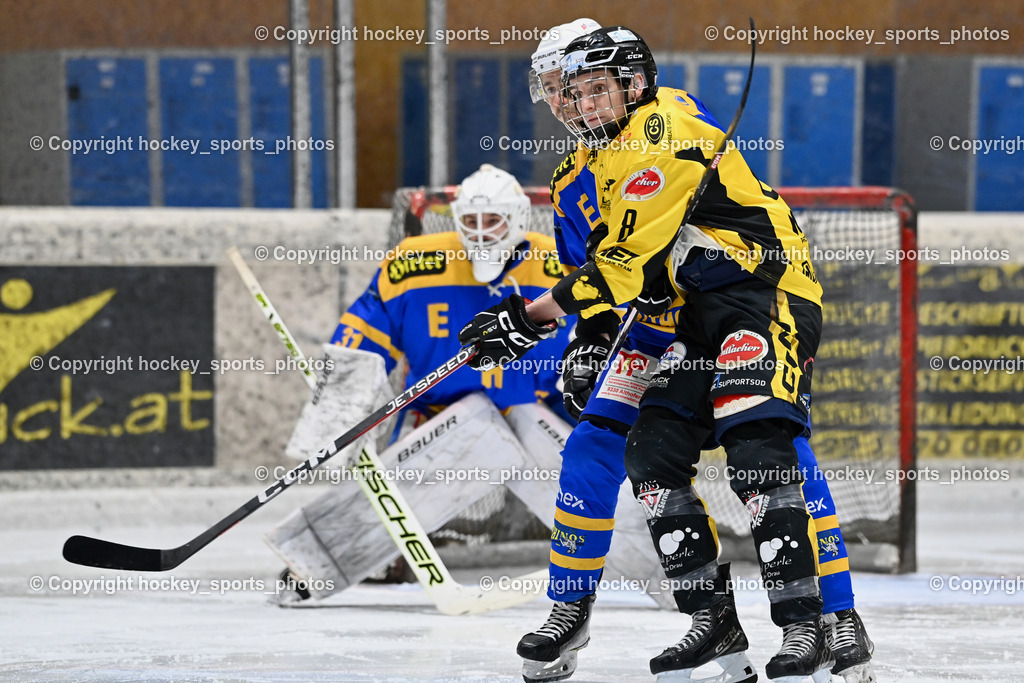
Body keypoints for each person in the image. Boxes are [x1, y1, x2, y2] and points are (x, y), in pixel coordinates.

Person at [460, 26, 872, 683]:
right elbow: (593, 285)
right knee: (601, 443)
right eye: (557, 90)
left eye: (588, 88)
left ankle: (831, 614)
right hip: (662, 322)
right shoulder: (572, 178)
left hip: (743, 295)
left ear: (629, 83)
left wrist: (527, 317)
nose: (571, 104)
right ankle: (579, 608)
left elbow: (620, 265)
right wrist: (588, 343)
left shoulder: (662, 123)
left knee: (769, 437)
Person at [269, 163, 573, 600]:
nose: (482, 232)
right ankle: (315, 565)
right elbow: (362, 339)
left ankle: (675, 567)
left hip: (535, 410)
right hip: (442, 419)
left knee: (595, 477)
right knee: (403, 487)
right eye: (471, 221)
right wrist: (336, 407)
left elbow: (610, 331)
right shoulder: (412, 264)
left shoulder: (562, 263)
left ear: (521, 220)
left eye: (494, 221)